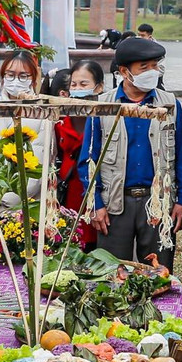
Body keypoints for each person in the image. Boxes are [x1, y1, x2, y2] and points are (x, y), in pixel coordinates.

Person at [79, 36, 182, 265]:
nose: (152, 72)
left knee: (158, 270)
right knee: (112, 273)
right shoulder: (104, 106)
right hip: (114, 202)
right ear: (124, 71)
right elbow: (88, 159)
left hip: (158, 202)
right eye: (144, 67)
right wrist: (96, 205)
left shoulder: (169, 104)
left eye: (155, 66)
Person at [0, 52, 52, 200]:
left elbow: (40, 158)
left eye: (23, 76)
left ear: (33, 79)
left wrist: (17, 196)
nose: (16, 80)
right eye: (10, 74)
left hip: (26, 196)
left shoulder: (41, 112)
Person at [54, 60, 105, 247]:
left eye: (84, 84)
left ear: (98, 87)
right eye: (74, 84)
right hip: (67, 194)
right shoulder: (60, 120)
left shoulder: (105, 120)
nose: (77, 89)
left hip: (94, 195)